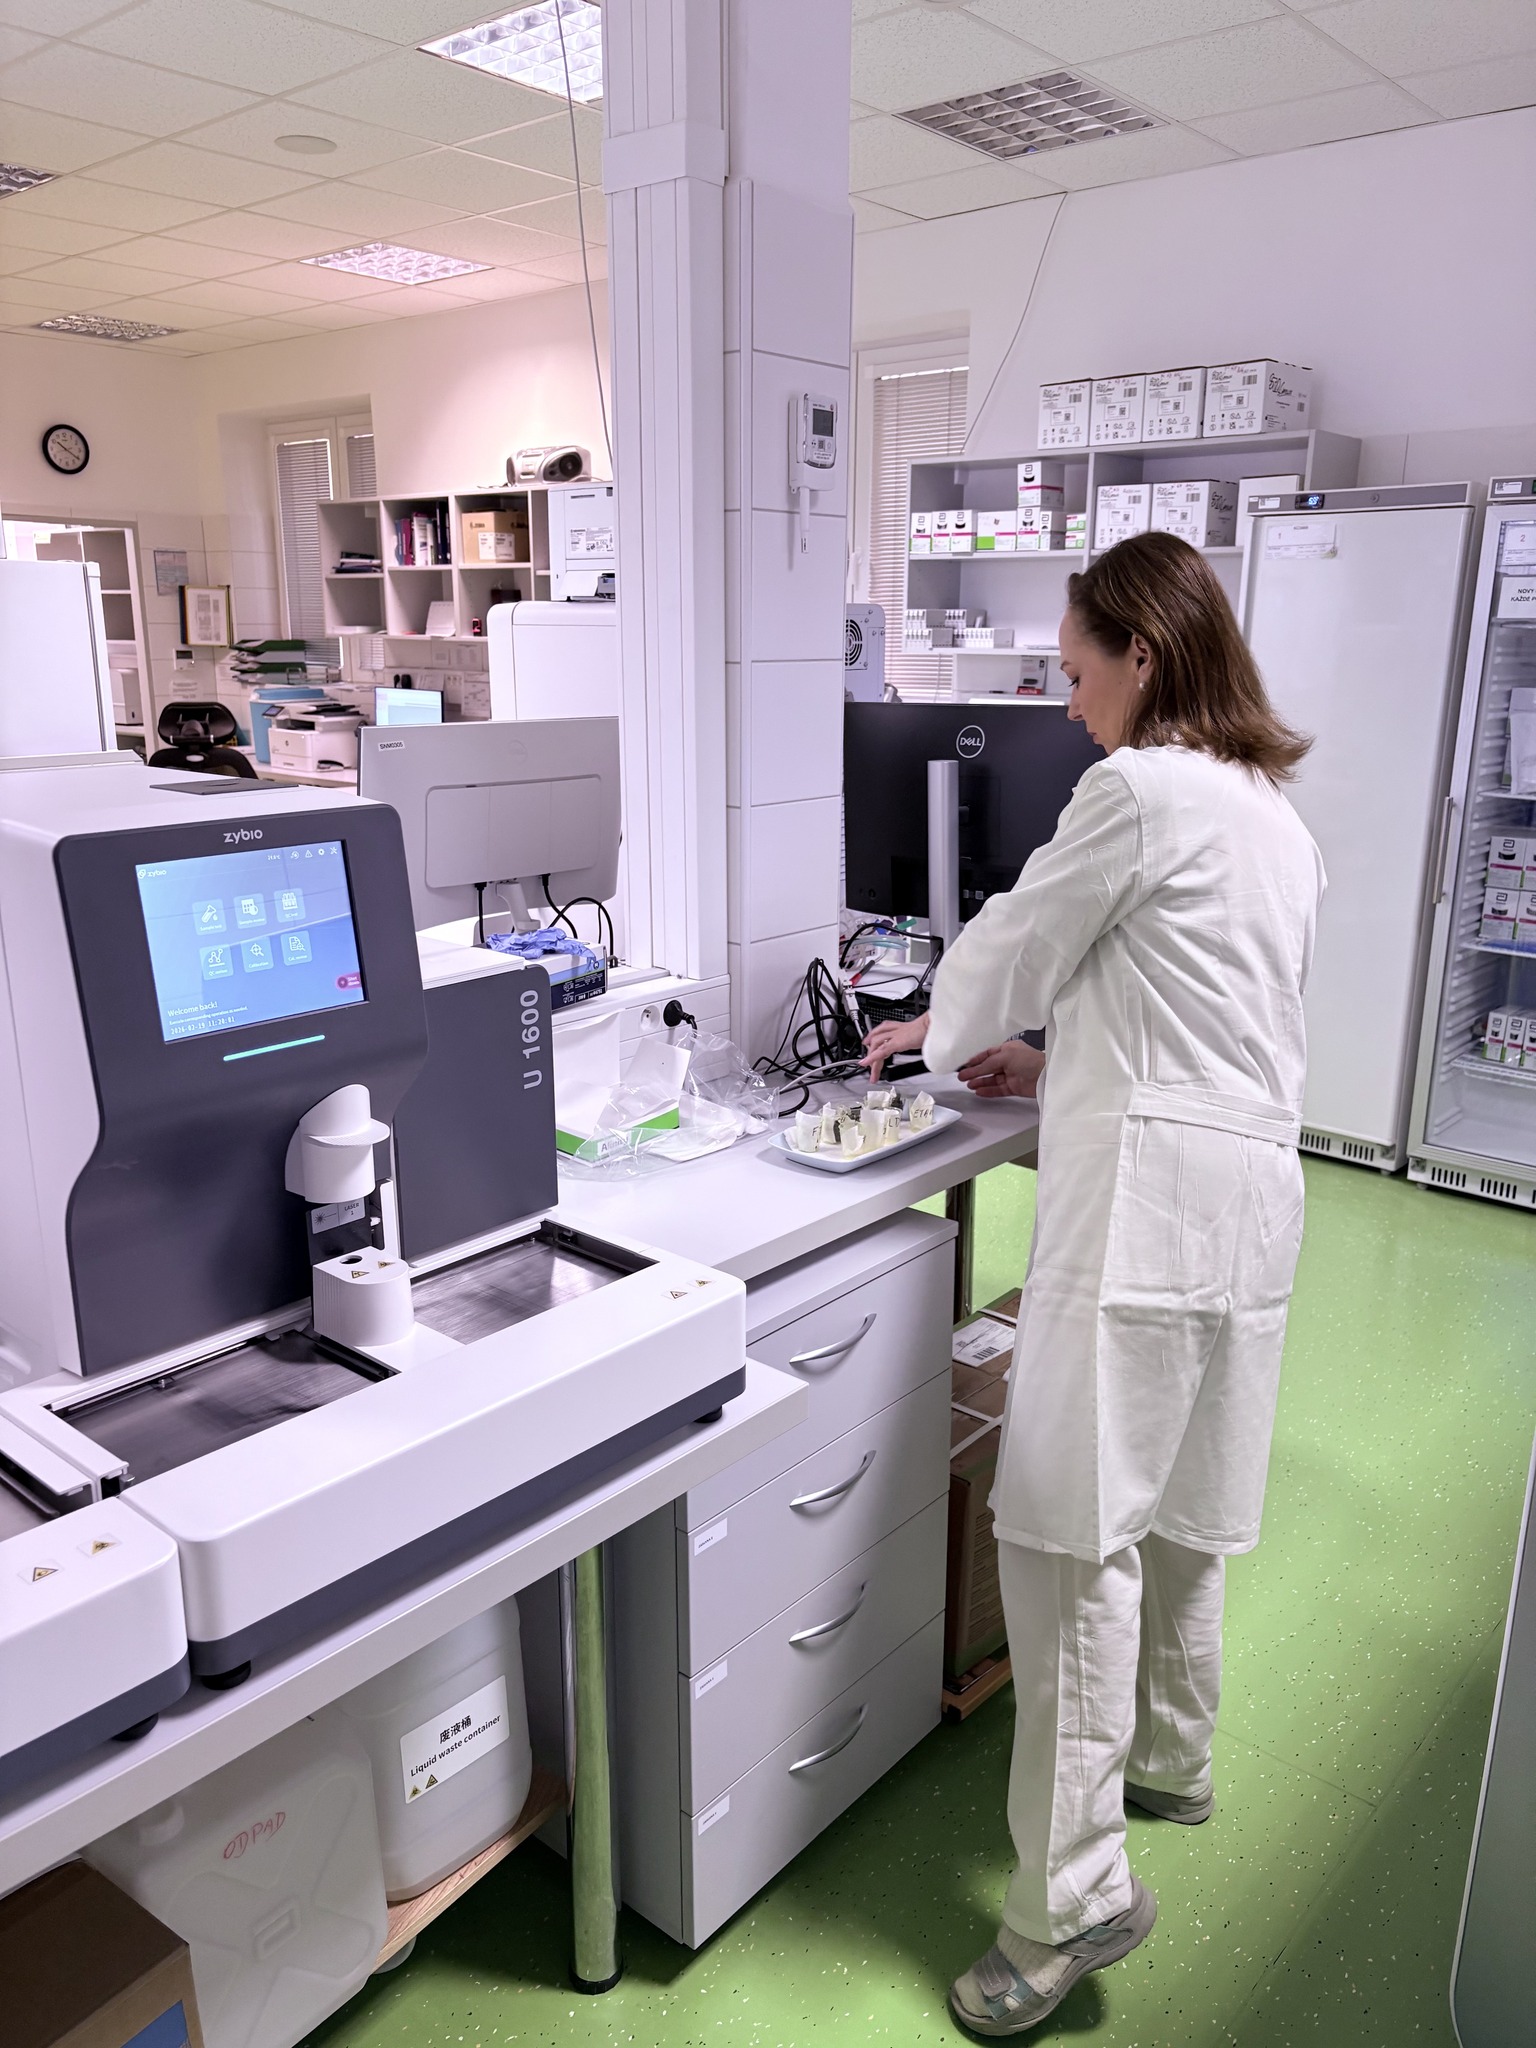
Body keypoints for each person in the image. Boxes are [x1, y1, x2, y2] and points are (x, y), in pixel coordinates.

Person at [864, 531, 1325, 2039]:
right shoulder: (1273, 815)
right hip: (1249, 1203)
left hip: (1146, 1219)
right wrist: (1057, 1064)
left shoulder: (1137, 791)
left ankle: (1069, 1905)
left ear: (1144, 654)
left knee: (1068, 1541)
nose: (1068, 705)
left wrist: (926, 1032)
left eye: (1075, 674)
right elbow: (1203, 1013)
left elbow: (1014, 943)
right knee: (1182, 1503)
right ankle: (1172, 1761)